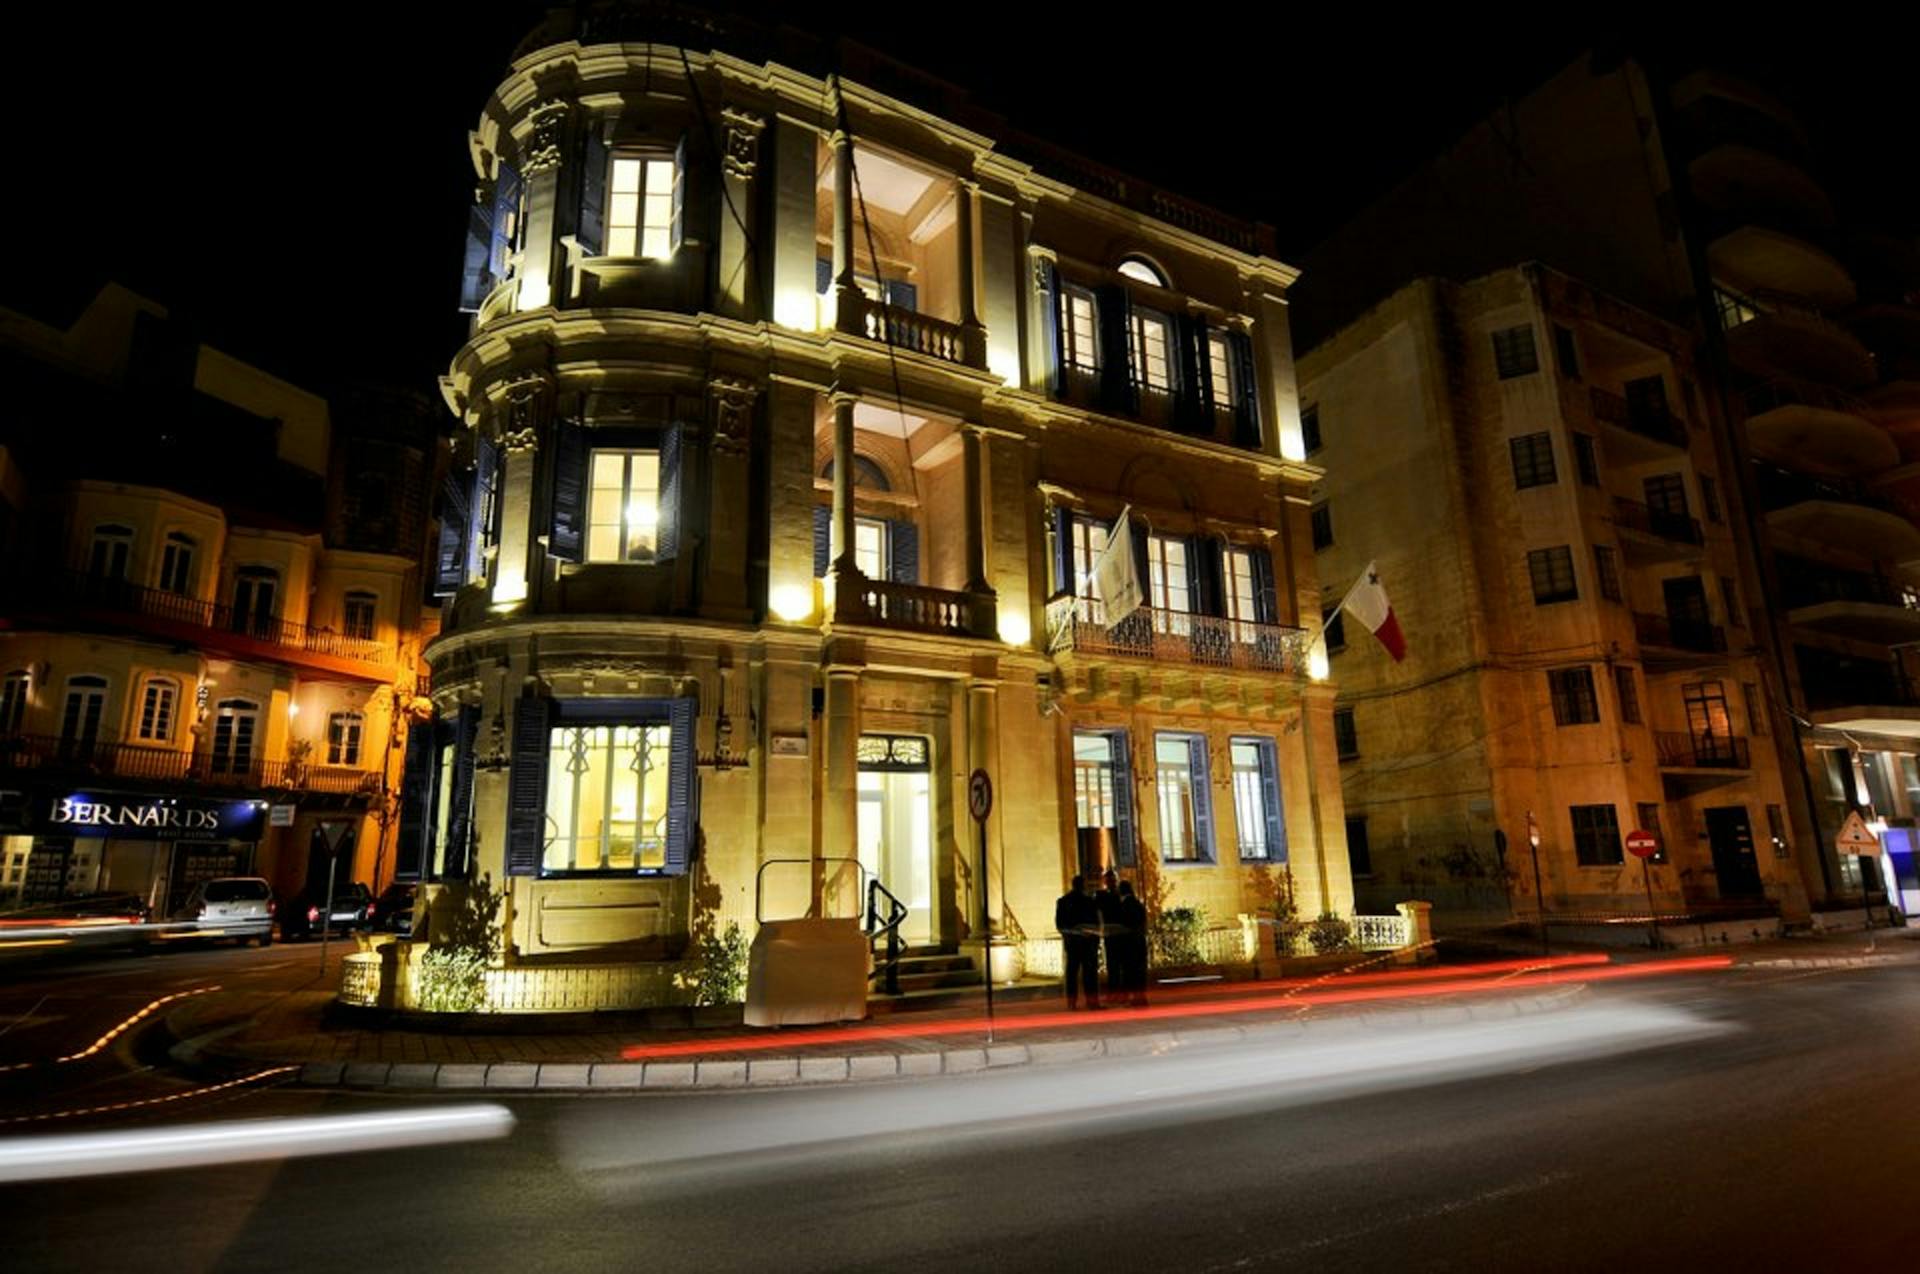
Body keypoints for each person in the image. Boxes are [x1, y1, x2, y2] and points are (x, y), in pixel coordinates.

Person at [1054, 874, 1101, 1010]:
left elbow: (1060, 925)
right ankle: (1092, 1001)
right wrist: (1091, 937)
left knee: (1072, 973)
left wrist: (1072, 934)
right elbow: (1096, 924)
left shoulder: (1063, 901)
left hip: (1073, 943)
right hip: (1087, 943)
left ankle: (1072, 1002)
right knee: (1089, 974)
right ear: (1082, 885)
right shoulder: (1089, 901)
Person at [1115, 881, 1149, 1006]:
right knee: (1140, 971)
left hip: (1127, 944)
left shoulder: (1122, 906)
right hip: (1139, 942)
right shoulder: (1138, 904)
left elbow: (1121, 926)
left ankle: (1133, 998)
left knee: (1129, 972)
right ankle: (1141, 997)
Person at [1095, 869, 1123, 998]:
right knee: (1114, 965)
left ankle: (1116, 992)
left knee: (1115, 965)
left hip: (1113, 934)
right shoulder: (1107, 896)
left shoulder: (1105, 896)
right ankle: (1116, 992)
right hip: (1114, 934)